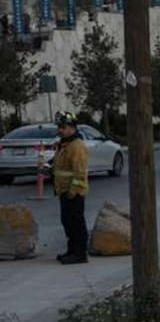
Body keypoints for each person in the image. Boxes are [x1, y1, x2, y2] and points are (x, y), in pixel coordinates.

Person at [53, 112, 89, 264]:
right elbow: (61, 167)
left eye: (63, 127)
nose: (60, 130)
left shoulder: (76, 147)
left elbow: (80, 173)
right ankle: (72, 250)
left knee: (76, 223)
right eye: (59, 127)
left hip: (73, 193)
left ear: (72, 128)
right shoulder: (64, 145)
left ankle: (80, 254)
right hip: (64, 191)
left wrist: (73, 192)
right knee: (67, 222)